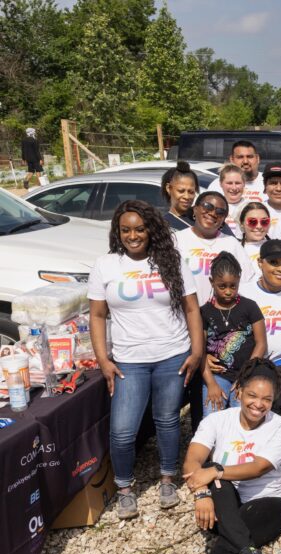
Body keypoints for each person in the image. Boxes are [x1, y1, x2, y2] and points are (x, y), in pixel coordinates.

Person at [88, 200, 203, 519]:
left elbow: (191, 308)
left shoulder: (171, 261)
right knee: (123, 430)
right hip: (128, 361)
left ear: (151, 230)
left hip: (172, 354)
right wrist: (103, 359)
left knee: (167, 421)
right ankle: (124, 488)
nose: (133, 235)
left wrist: (196, 351)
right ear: (117, 232)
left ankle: (167, 478)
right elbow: (97, 315)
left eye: (139, 229)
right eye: (125, 230)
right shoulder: (106, 265)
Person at [166, 358, 281, 554]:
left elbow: (259, 467)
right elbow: (192, 461)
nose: (259, 404)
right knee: (215, 473)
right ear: (238, 391)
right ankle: (249, 551)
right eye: (252, 395)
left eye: (267, 399)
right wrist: (201, 494)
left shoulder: (280, 426)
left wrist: (216, 471)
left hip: (266, 504)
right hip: (223, 504)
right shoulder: (218, 420)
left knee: (229, 541)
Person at [239, 240, 281, 443]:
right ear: (260, 262)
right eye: (273, 262)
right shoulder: (244, 291)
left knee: (278, 397)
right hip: (249, 360)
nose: (280, 269)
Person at [200, 252, 266, 416]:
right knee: (212, 415)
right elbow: (199, 350)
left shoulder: (250, 307)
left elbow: (261, 343)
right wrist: (211, 383)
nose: (228, 291)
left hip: (246, 375)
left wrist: (245, 377)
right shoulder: (205, 312)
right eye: (222, 286)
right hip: (216, 376)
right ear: (212, 282)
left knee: (242, 417)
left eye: (233, 286)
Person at [173, 191, 252, 305]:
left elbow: (245, 283)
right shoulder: (175, 240)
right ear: (195, 209)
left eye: (220, 211)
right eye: (207, 206)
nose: (213, 213)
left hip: (221, 316)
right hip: (184, 314)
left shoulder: (231, 243)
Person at [160, 161, 199, 230]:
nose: (186, 197)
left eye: (191, 192)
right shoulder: (163, 226)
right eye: (181, 191)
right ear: (168, 188)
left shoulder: (203, 217)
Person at [239, 202, 272, 274]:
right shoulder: (234, 248)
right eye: (252, 222)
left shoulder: (278, 247)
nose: (259, 226)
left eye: (264, 221)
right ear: (242, 224)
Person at [218, 164, 247, 239]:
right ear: (221, 184)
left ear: (244, 183)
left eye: (237, 183)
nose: (234, 188)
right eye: (229, 183)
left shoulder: (251, 206)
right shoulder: (215, 206)